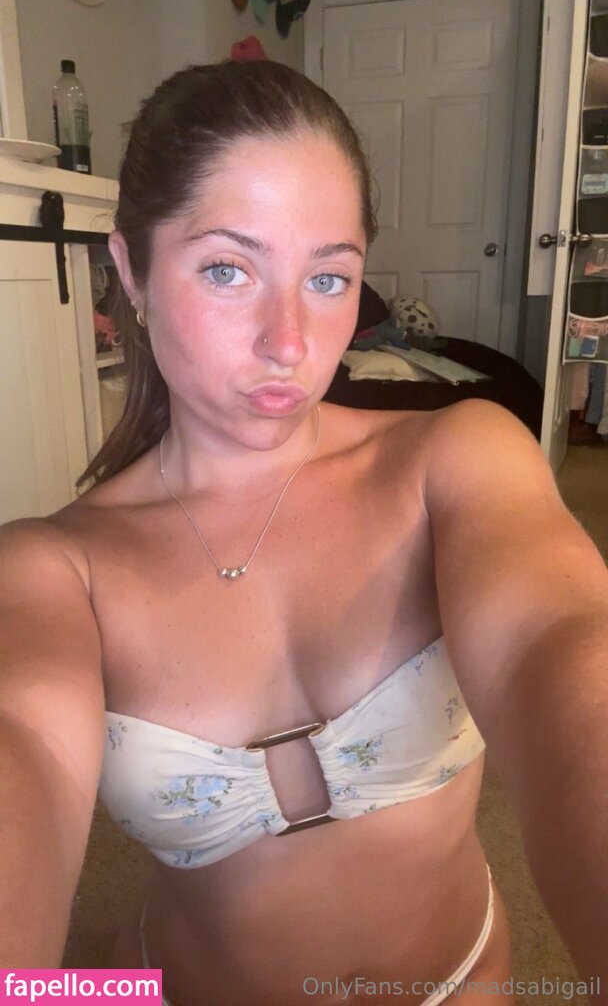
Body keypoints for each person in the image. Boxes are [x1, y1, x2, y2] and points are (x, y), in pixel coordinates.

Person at [1, 61, 607, 1006]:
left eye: (328, 278)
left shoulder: (457, 458)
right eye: (228, 269)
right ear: (131, 271)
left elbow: (563, 652)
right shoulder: (52, 567)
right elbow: (22, 753)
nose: (289, 341)